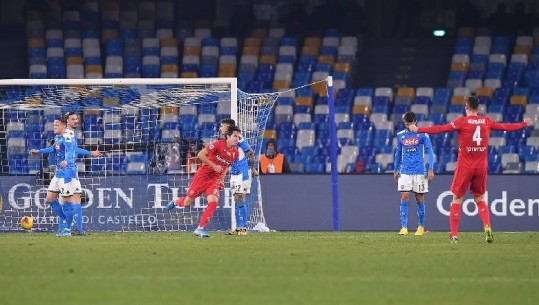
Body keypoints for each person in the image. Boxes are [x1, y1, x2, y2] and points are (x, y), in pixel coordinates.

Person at [408, 95, 533, 243]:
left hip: (465, 166)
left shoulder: (462, 122)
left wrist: (418, 129)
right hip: (481, 167)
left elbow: (441, 129)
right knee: (479, 198)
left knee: (457, 198)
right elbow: (506, 127)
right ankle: (487, 227)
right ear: (479, 107)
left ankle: (454, 235)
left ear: (466, 107)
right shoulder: (486, 121)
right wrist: (524, 124)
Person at [167, 125, 242, 238]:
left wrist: (221, 180)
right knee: (188, 203)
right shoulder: (217, 144)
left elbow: (226, 166)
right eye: (235, 136)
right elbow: (200, 154)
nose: (237, 139)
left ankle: (200, 228)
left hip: (214, 179)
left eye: (238, 136)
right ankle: (176, 201)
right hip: (203, 176)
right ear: (228, 136)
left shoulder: (235, 153)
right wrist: (214, 165)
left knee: (213, 202)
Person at [29, 117, 79, 236]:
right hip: (58, 173)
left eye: (56, 125)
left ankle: (67, 229)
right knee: (49, 199)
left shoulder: (68, 137)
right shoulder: (57, 138)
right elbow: (52, 149)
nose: (54, 127)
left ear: (63, 126)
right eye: (54, 125)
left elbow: (71, 151)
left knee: (67, 202)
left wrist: (67, 161)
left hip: (67, 172)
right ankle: (67, 221)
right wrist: (39, 151)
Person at [393, 112, 435, 236]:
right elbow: (398, 153)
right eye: (406, 124)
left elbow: (430, 152)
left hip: (419, 171)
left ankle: (421, 227)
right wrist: (395, 169)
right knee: (404, 196)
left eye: (410, 124)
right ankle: (404, 228)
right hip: (405, 171)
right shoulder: (400, 136)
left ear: (415, 122)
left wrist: (431, 168)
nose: (408, 126)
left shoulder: (423, 134)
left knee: (419, 198)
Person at [64, 111, 101, 235]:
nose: (75, 121)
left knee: (75, 198)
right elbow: (73, 149)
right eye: (73, 119)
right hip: (68, 170)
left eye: (76, 119)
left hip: (70, 169)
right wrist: (91, 153)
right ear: (67, 121)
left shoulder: (70, 133)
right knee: (70, 199)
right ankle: (71, 229)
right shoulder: (67, 133)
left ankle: (76, 230)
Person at [228, 127, 258, 236]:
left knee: (241, 199)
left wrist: (253, 168)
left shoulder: (240, 140)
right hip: (234, 174)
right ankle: (238, 227)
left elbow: (250, 152)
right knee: (236, 200)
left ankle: (243, 227)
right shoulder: (227, 142)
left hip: (244, 173)